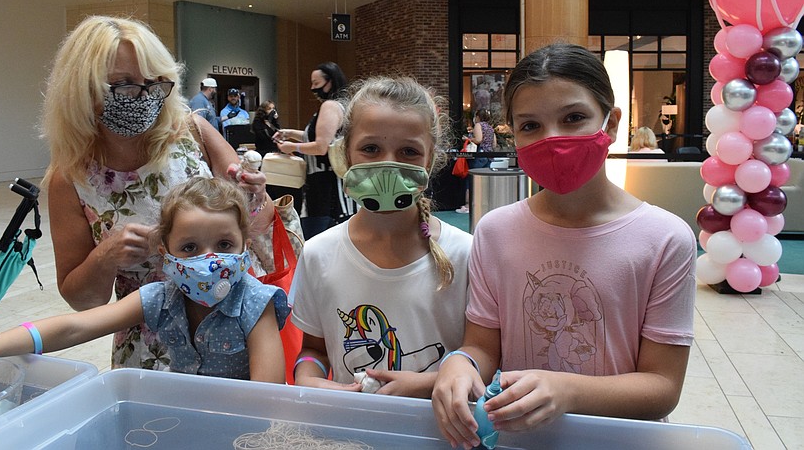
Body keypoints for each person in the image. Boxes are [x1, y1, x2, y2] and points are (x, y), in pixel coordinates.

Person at [432, 43, 696, 447]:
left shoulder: (664, 239)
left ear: (610, 124)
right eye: (531, 125)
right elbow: (482, 346)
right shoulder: (496, 231)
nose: (552, 139)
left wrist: (568, 391)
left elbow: (662, 385)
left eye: (573, 118)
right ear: (514, 134)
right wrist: (460, 365)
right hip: (522, 440)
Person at [41, 15, 280, 371]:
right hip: (149, 349)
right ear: (83, 90)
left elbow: (256, 225)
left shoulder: (191, 132)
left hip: (233, 332)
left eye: (153, 83)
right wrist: (106, 256)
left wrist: (256, 196)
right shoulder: (71, 178)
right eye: (123, 85)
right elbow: (82, 302)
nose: (142, 96)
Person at [0, 177, 289, 401]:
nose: (210, 259)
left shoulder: (256, 306)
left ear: (245, 244)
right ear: (165, 252)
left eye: (224, 244)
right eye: (189, 248)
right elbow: (73, 327)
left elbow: (267, 400)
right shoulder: (161, 298)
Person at [289, 76, 472, 398]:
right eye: (371, 149)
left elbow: (481, 359)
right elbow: (314, 351)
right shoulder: (319, 253)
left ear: (429, 159)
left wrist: (427, 385)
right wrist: (310, 379)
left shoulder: (464, 254)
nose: (388, 165)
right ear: (345, 154)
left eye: (408, 151)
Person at [275, 62, 355, 237]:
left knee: (315, 238)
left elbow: (320, 146)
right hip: (334, 184)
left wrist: (292, 147)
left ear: (330, 82)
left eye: (316, 84)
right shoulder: (342, 105)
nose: (312, 88)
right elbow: (319, 137)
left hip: (325, 186)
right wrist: (289, 133)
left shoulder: (330, 106)